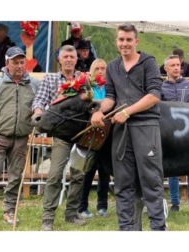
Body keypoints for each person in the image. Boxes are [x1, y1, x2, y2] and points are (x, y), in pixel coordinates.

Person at [90, 23, 166, 231]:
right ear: (117, 41)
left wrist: (127, 112)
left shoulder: (148, 62)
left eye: (128, 40)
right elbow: (111, 98)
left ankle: (158, 228)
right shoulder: (113, 66)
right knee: (122, 182)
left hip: (146, 125)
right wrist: (99, 111)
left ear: (136, 41)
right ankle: (126, 228)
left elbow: (154, 96)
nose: (125, 44)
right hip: (121, 130)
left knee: (151, 181)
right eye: (121, 39)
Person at [32, 45, 88, 231]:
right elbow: (39, 100)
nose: (69, 59)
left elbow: (93, 101)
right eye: (66, 56)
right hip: (62, 136)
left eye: (72, 56)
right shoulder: (50, 79)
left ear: (76, 59)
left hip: (81, 135)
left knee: (79, 175)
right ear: (60, 59)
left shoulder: (84, 79)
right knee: (55, 175)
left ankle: (71, 214)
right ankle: (47, 219)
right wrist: (38, 113)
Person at [0, 46, 40, 224]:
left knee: (15, 177)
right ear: (7, 63)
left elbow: (41, 103)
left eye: (22, 62)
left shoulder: (34, 83)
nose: (20, 66)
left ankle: (9, 211)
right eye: (15, 62)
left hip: (21, 137)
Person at [161, 55, 189, 214]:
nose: (177, 68)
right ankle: (174, 204)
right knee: (172, 171)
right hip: (171, 135)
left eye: (178, 65)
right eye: (173, 65)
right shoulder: (161, 87)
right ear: (166, 68)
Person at [77, 59, 111, 219]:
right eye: (97, 68)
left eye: (103, 68)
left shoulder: (111, 87)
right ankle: (82, 206)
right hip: (90, 135)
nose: (100, 71)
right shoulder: (88, 86)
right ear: (92, 70)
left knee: (105, 171)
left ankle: (102, 205)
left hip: (108, 134)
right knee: (88, 171)